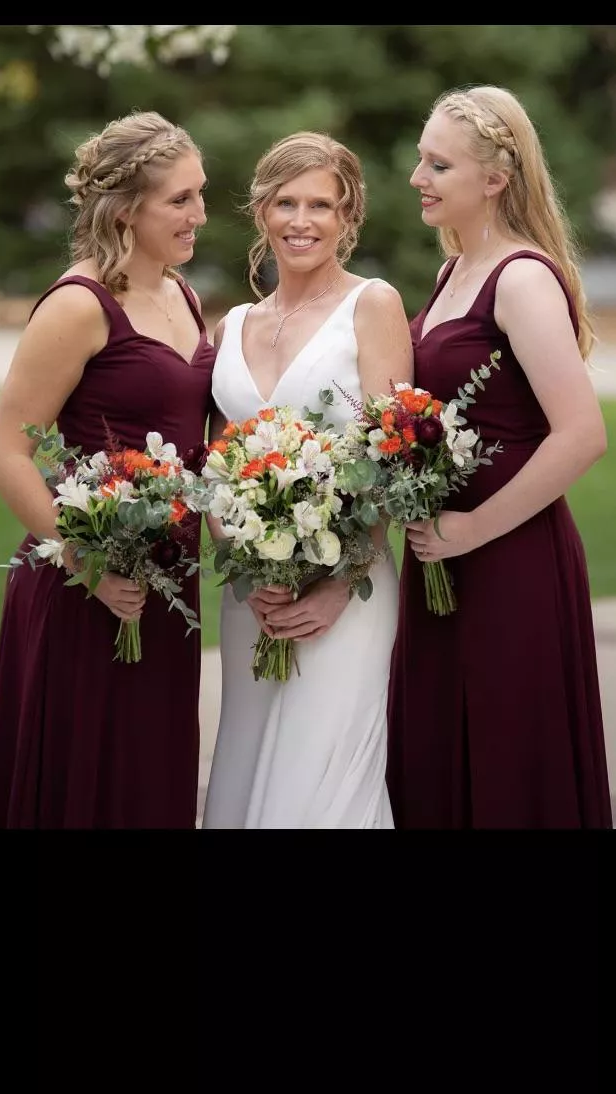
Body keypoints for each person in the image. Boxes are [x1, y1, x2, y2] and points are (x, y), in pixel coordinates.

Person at [0, 111, 216, 829]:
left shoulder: (184, 294)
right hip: (87, 590)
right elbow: (5, 452)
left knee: (148, 780)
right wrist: (87, 561)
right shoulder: (79, 306)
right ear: (125, 209)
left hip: (167, 591)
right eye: (182, 199)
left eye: (200, 193)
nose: (201, 213)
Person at [386, 85, 613, 829]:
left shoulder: (520, 277)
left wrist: (474, 528)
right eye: (422, 159)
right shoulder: (454, 272)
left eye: (437, 164)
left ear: (494, 179)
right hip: (441, 554)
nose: (418, 177)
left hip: (510, 559)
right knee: (436, 754)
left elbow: (582, 433)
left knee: (511, 761)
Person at [201, 131, 412, 829]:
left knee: (321, 784)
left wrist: (332, 587)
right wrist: (242, 557)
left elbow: (392, 455)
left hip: (346, 592)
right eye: (285, 202)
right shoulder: (231, 325)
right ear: (260, 211)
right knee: (246, 768)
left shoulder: (372, 306)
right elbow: (214, 464)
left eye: (321, 204)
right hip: (251, 595)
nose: (301, 220)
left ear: (349, 217)